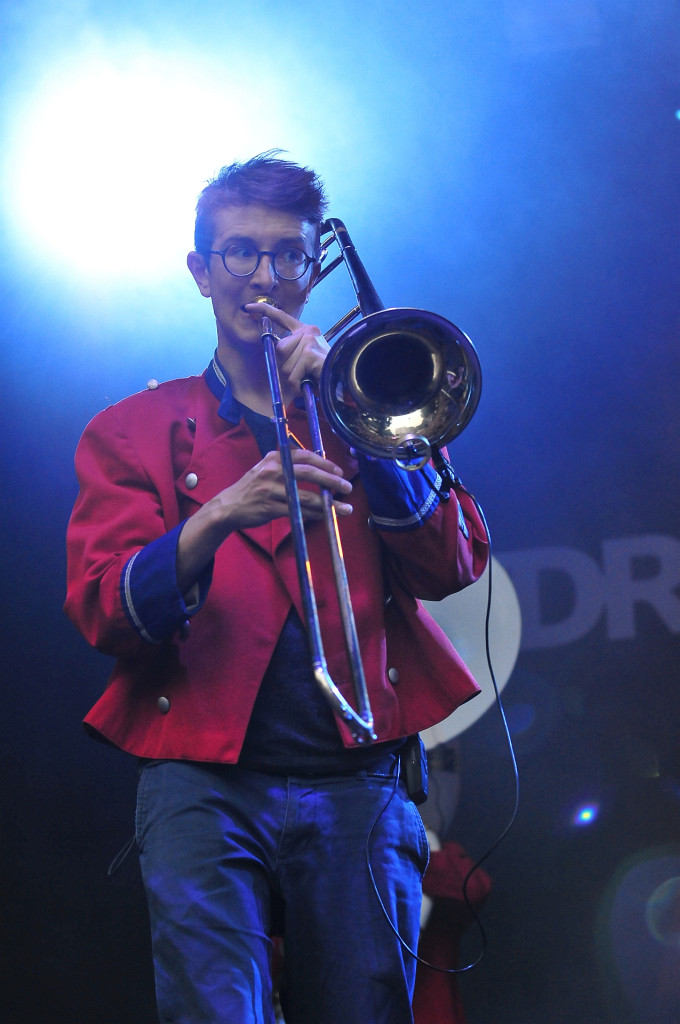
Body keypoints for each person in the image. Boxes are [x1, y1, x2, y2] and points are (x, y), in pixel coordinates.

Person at [65, 152, 489, 1024]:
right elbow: (105, 611)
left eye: (289, 254)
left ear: (311, 266)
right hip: (204, 785)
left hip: (360, 781)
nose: (265, 277)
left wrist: (356, 423)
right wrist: (218, 515)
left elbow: (451, 565)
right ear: (200, 271)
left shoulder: (372, 404)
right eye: (240, 253)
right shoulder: (133, 428)